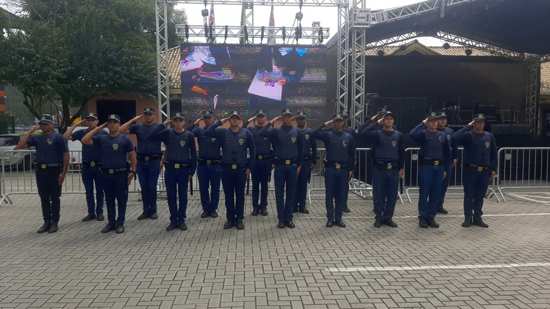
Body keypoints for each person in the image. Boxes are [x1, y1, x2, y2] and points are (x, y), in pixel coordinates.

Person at [82, 114, 137, 234]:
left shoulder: (125, 139)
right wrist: (98, 128)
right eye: (110, 122)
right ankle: (111, 222)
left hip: (121, 174)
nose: (112, 124)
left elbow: (132, 156)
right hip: (106, 174)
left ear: (119, 124)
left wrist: (132, 172)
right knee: (109, 199)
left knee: (121, 200)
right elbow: (85, 140)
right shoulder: (102, 138)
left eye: (115, 122)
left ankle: (120, 223)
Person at [16, 114, 69, 233]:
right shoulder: (37, 137)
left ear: (51, 124)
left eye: (45, 124)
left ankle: (55, 222)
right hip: (41, 171)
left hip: (54, 170)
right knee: (44, 197)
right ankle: (46, 222)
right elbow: (19, 146)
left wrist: (63, 173)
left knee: (55, 197)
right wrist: (30, 131)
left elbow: (66, 155)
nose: (42, 126)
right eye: (41, 124)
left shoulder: (58, 137)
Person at [207, 111, 255, 230]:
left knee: (240, 195)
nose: (234, 120)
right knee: (228, 195)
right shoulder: (223, 132)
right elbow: (208, 132)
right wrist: (219, 122)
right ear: (229, 120)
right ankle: (230, 219)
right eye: (232, 118)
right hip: (226, 169)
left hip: (241, 170)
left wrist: (249, 167)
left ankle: (239, 219)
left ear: (240, 120)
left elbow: (253, 151)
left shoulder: (246, 133)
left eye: (236, 118)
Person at [358, 111, 404, 228]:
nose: (388, 121)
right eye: (386, 119)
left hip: (393, 169)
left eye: (390, 119)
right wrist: (374, 122)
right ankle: (379, 217)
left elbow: (401, 152)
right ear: (383, 121)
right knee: (378, 194)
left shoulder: (398, 135)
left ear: (393, 121)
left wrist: (402, 167)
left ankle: (388, 217)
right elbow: (363, 133)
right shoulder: (377, 133)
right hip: (379, 168)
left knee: (392, 195)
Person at [261, 109, 303, 228]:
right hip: (279, 166)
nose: (287, 118)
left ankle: (289, 218)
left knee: (291, 193)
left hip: (293, 167)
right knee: (279, 194)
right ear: (282, 117)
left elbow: (301, 149)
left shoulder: (297, 132)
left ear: (291, 118)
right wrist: (271, 122)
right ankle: (281, 219)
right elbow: (263, 133)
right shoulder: (276, 131)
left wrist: (299, 165)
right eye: (284, 116)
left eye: (289, 116)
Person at [452, 114, 497, 228]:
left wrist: (493, 169)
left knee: (480, 195)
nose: (480, 124)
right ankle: (468, 218)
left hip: (484, 171)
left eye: (482, 122)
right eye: (477, 122)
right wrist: (467, 127)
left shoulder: (489, 136)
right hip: (470, 170)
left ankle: (477, 217)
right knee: (469, 195)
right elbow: (454, 138)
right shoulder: (468, 135)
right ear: (474, 123)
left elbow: (493, 154)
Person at [120, 108, 165, 220]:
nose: (148, 116)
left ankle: (153, 210)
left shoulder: (159, 127)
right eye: (146, 114)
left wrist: (163, 160)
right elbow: (121, 130)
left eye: (150, 114)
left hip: (154, 161)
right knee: (144, 187)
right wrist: (133, 120)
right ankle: (146, 211)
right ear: (143, 116)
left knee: (152, 186)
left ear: (154, 115)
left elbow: (168, 141)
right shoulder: (138, 127)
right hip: (141, 161)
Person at [409, 112, 451, 228]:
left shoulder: (442, 135)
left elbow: (447, 153)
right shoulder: (423, 134)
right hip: (426, 167)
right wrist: (422, 124)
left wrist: (445, 169)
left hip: (439, 167)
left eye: (435, 121)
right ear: (427, 123)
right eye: (431, 121)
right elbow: (412, 134)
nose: (433, 123)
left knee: (436, 193)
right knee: (424, 193)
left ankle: (431, 217)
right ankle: (422, 217)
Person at [313, 114, 356, 228]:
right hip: (330, 168)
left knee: (341, 195)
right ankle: (330, 218)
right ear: (333, 122)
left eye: (340, 121)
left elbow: (352, 154)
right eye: (335, 121)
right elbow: (315, 133)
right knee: (329, 194)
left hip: (343, 169)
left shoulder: (348, 137)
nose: (338, 123)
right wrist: (325, 123)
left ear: (343, 123)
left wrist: (351, 169)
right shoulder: (328, 135)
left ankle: (339, 218)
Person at [158, 113, 197, 231]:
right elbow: (156, 135)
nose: (178, 122)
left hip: (184, 170)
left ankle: (181, 220)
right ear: (173, 122)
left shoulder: (189, 135)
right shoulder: (168, 133)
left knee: (182, 196)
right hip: (170, 169)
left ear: (184, 122)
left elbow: (194, 154)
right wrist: (164, 124)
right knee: (171, 196)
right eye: (176, 120)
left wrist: (192, 170)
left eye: (180, 120)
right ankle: (173, 220)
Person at [64, 113, 106, 222]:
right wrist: (75, 125)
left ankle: (100, 212)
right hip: (87, 166)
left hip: (99, 166)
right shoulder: (82, 132)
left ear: (97, 121)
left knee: (100, 190)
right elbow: (65, 137)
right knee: (89, 191)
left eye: (93, 120)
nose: (90, 122)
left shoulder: (102, 132)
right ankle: (91, 213)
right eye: (88, 120)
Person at [192, 111, 223, 218]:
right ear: (203, 119)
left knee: (215, 188)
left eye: (209, 117)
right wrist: (195, 125)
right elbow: (190, 133)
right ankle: (206, 209)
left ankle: (213, 209)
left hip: (215, 165)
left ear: (212, 118)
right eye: (205, 118)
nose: (207, 119)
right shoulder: (200, 131)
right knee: (203, 189)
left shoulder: (218, 132)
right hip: (203, 165)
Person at [247, 110, 272, 216]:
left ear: (265, 118)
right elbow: (243, 127)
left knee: (264, 186)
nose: (261, 118)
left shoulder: (270, 131)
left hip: (266, 161)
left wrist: (273, 161)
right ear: (256, 118)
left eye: (262, 117)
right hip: (255, 161)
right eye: (259, 117)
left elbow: (274, 146)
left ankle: (264, 207)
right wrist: (250, 120)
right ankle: (255, 207)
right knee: (255, 186)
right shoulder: (251, 130)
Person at [294, 111, 317, 214]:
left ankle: (302, 206)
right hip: (295, 162)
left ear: (305, 120)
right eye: (299, 119)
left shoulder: (310, 132)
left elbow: (314, 146)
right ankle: (294, 206)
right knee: (294, 185)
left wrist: (313, 160)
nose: (301, 120)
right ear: (296, 120)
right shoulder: (293, 131)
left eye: (303, 118)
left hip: (306, 162)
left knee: (303, 185)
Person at [436, 112, 458, 215]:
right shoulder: (432, 131)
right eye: (441, 119)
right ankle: (432, 204)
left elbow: (454, 146)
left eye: (444, 119)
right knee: (435, 185)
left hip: (448, 162)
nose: (443, 121)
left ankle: (439, 205)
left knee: (444, 185)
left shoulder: (450, 131)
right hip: (437, 162)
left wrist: (455, 157)